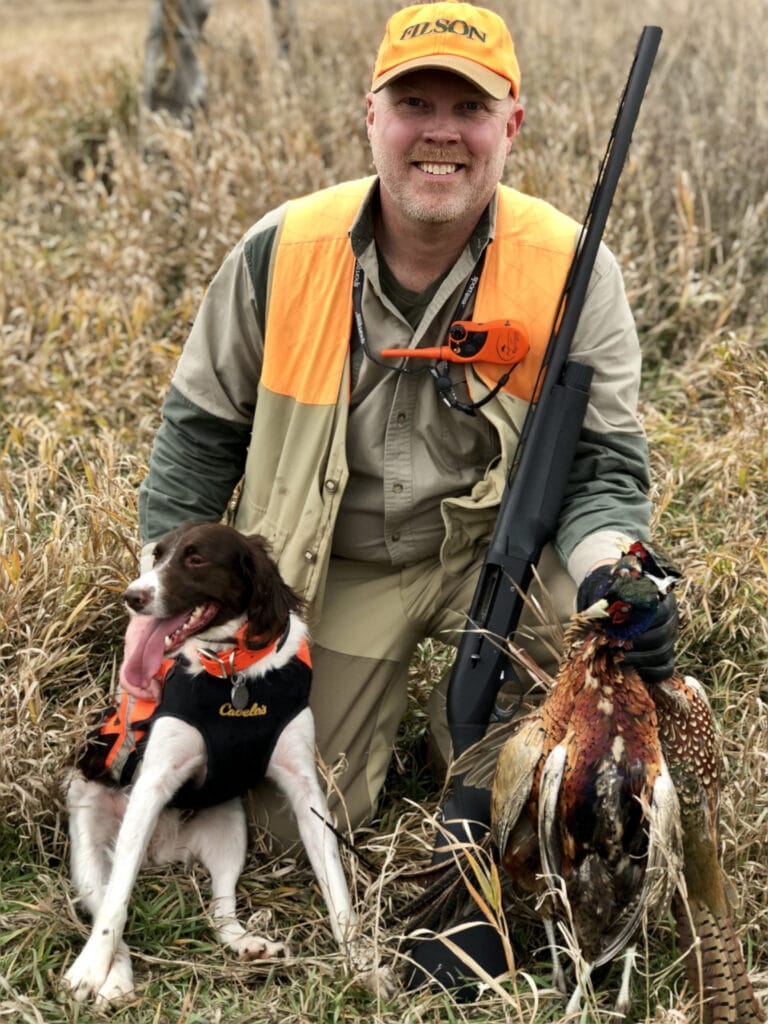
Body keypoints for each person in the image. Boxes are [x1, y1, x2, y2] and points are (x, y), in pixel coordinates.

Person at [137, 0, 676, 990]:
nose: (441, 130)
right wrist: (166, 626)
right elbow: (194, 447)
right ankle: (441, 731)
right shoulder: (279, 251)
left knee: (583, 728)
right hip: (333, 563)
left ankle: (476, 744)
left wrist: (616, 577)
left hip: (499, 558)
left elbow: (605, 470)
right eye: (414, 101)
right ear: (370, 116)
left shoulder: (572, 267)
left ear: (510, 126)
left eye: (469, 108)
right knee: (289, 808)